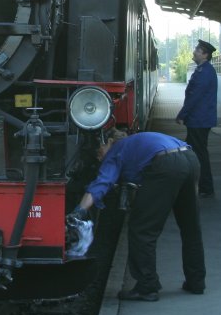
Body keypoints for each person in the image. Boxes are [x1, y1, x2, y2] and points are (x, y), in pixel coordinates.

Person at [70, 129, 206, 301]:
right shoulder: (135, 143)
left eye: (100, 148)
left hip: (166, 165)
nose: (98, 155)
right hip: (190, 158)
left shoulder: (115, 150)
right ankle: (197, 281)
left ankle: (147, 286)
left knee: (141, 229)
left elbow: (101, 184)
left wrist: (79, 211)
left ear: (110, 141)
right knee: (190, 226)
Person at [176, 39, 218, 197]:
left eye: (197, 50)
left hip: (199, 120)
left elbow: (195, 96)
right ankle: (196, 184)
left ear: (205, 55)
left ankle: (206, 187)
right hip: (199, 119)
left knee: (199, 153)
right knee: (192, 152)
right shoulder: (203, 70)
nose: (194, 52)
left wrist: (182, 114)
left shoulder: (205, 72)